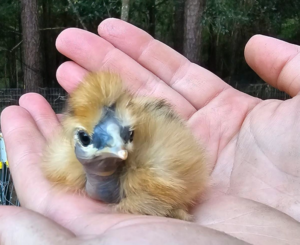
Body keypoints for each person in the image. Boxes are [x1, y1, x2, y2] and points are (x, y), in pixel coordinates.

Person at [1, 18, 300, 245]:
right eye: (89, 139)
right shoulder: (66, 164)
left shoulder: (159, 174)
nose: (117, 149)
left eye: (126, 136)